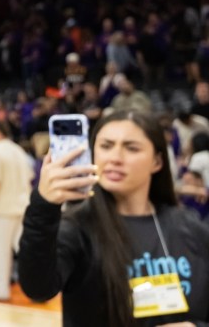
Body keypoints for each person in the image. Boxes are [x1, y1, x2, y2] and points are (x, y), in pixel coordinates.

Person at [19, 111, 209, 326]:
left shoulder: (188, 225)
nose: (115, 158)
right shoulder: (77, 228)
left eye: (131, 148)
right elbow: (37, 288)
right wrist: (43, 207)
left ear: (157, 161)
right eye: (106, 146)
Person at [0, 119, 34, 301]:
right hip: (23, 206)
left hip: (2, 209)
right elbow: (30, 178)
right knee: (27, 251)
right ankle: (38, 288)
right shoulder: (18, 150)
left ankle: (1, 291)